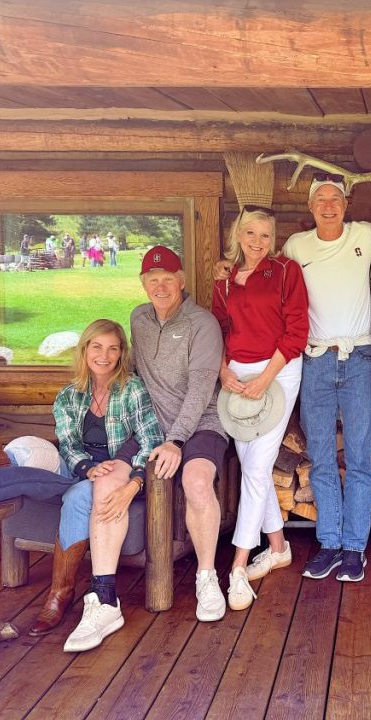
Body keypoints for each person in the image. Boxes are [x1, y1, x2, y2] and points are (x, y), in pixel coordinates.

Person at [280, 176, 371, 583]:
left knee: (360, 457)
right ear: (311, 207)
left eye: (335, 199)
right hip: (317, 360)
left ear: (346, 204)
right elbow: (270, 275)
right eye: (320, 200)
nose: (328, 206)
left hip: (361, 357)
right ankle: (329, 543)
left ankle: (355, 548)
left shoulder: (367, 235)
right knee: (322, 457)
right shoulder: (296, 246)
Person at [27, 319, 163, 652]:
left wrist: (134, 477)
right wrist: (87, 467)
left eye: (113, 349)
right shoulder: (70, 395)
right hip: (81, 468)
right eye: (97, 347)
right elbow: (68, 442)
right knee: (20, 450)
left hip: (114, 472)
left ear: (121, 354)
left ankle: (60, 593)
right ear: (85, 349)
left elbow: (151, 439)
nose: (104, 356)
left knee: (76, 499)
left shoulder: (132, 388)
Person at [212, 206, 309, 610]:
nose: (256, 242)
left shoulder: (286, 272)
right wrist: (223, 373)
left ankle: (236, 567)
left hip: (278, 371)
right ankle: (279, 546)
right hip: (236, 375)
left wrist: (265, 379)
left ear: (274, 239)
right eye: (249, 234)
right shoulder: (224, 282)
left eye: (265, 235)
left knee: (254, 467)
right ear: (238, 235)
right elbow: (218, 330)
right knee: (250, 462)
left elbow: (296, 331)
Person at [130, 245, 232, 622]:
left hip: (202, 423)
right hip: (154, 425)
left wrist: (175, 440)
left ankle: (206, 577)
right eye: (152, 280)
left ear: (182, 280)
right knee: (110, 470)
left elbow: (202, 389)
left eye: (167, 279)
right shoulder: (138, 319)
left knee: (197, 482)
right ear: (143, 285)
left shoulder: (202, 323)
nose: (160, 287)